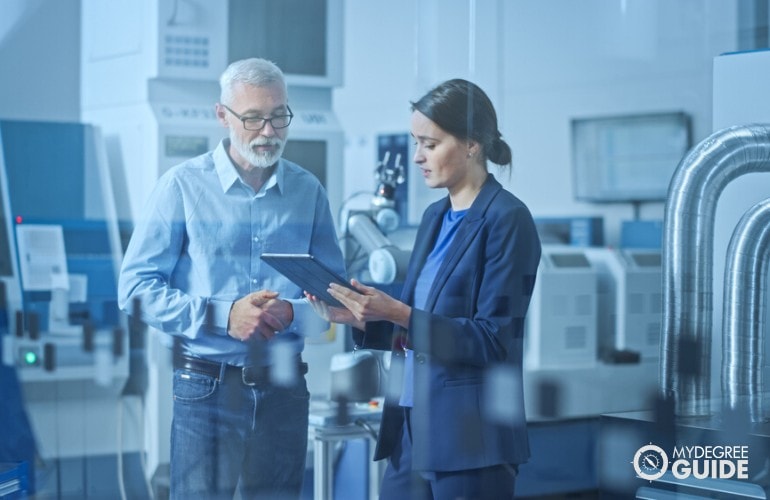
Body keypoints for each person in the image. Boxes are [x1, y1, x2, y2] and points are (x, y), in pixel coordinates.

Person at [118, 58, 345, 499]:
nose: (268, 132)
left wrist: (291, 313)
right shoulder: (181, 187)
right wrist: (224, 317)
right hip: (206, 390)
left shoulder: (308, 192)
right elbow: (135, 291)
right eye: (253, 118)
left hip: (284, 389)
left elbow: (334, 300)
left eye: (279, 116)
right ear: (222, 115)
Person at [308, 79, 541, 499]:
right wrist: (366, 319)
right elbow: (421, 328)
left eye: (429, 145)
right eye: (416, 142)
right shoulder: (435, 217)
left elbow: (493, 340)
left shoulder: (508, 221)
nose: (417, 157)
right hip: (410, 431)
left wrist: (397, 311)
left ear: (471, 145)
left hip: (472, 441)